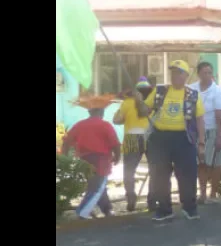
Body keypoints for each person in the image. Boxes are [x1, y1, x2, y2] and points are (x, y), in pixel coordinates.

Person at [137, 60, 206, 221]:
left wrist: (201, 142)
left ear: (186, 76)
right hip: (160, 138)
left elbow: (200, 119)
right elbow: (144, 111)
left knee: (188, 174)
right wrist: (139, 101)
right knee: (159, 175)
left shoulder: (193, 95)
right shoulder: (160, 91)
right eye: (173, 72)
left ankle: (190, 207)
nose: (175, 75)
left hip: (184, 138)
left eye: (179, 72)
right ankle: (164, 209)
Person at [63, 98, 121, 219]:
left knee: (97, 185)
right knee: (97, 187)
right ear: (101, 113)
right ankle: (82, 211)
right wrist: (117, 157)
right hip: (101, 160)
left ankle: (107, 210)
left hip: (84, 160)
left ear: (89, 113)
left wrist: (65, 157)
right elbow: (115, 144)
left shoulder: (79, 125)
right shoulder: (105, 125)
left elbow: (67, 142)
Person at [189, 62, 221, 204]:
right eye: (205, 72)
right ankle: (202, 193)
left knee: (212, 163)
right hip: (195, 131)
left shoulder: (217, 91)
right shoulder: (191, 89)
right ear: (198, 73)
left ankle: (212, 193)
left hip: (212, 130)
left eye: (210, 72)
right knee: (201, 163)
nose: (208, 75)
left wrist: (219, 137)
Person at [113, 77, 153, 211]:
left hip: (132, 137)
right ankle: (152, 199)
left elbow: (116, 120)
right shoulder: (151, 103)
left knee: (129, 170)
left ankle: (131, 196)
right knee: (154, 170)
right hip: (150, 137)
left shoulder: (127, 103)